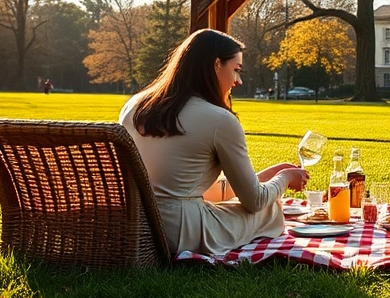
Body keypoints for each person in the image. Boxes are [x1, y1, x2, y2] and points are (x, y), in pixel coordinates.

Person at [119, 29, 309, 256]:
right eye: (236, 70)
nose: (238, 81)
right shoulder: (219, 119)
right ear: (216, 64)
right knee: (269, 210)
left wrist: (264, 177)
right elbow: (255, 202)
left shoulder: (135, 105)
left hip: (134, 222)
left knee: (225, 204)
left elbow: (177, 186)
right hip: (179, 233)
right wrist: (285, 178)